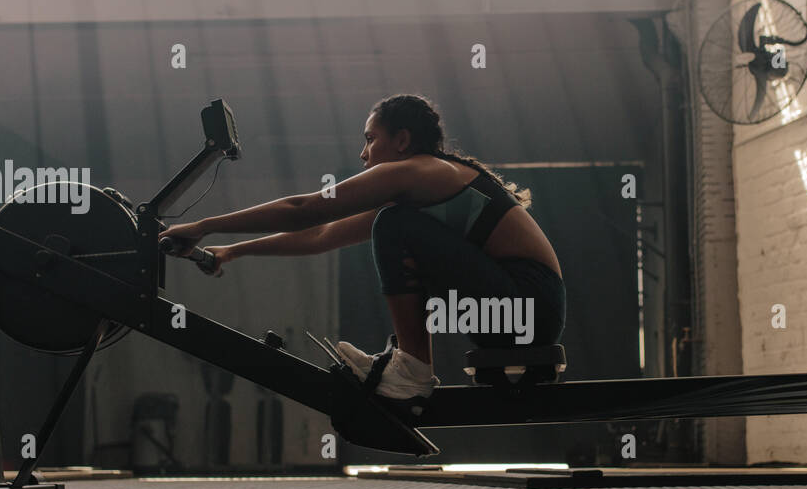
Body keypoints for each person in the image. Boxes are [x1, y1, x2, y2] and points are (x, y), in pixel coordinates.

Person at [160, 93, 565, 404]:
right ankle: (411, 367)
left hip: (527, 305)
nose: (363, 153)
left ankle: (411, 370)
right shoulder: (422, 189)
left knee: (393, 226)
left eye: (371, 139)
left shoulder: (421, 171)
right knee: (394, 224)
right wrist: (233, 251)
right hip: (518, 314)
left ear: (402, 141)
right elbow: (321, 235)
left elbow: (305, 209)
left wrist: (203, 226)